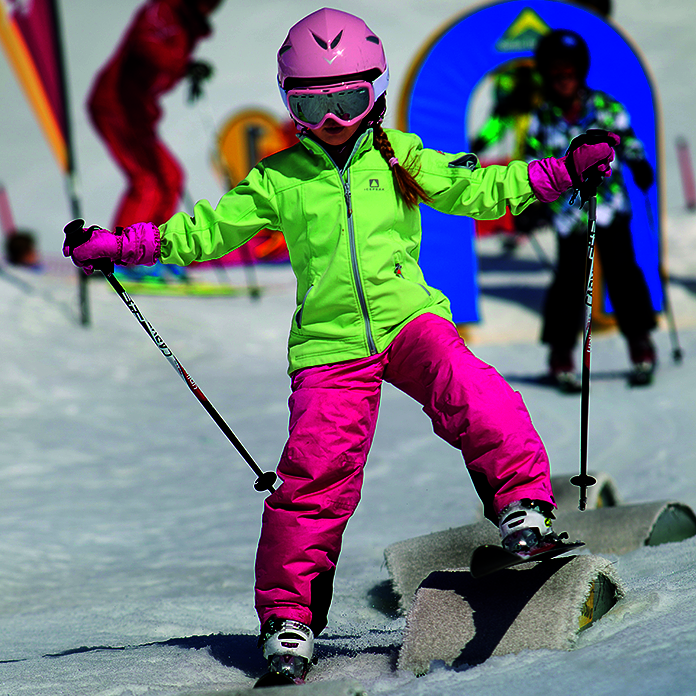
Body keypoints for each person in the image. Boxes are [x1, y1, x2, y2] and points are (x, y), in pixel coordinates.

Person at [64, 9, 618, 682]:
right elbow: (206, 231)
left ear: (375, 92)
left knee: (472, 390)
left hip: (407, 318)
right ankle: (289, 616)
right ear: (290, 100)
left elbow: (478, 188)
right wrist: (124, 246)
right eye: (312, 103)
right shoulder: (279, 178)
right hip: (329, 346)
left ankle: (521, 502)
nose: (331, 121)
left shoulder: (400, 156)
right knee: (313, 474)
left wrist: (560, 173)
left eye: (347, 101)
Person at [525, 29, 657, 389]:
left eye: (568, 73)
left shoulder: (605, 107)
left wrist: (639, 163)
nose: (562, 81)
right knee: (569, 282)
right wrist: (531, 202)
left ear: (580, 73)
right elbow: (532, 160)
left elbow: (627, 139)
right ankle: (561, 353)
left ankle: (640, 342)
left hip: (610, 206)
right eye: (555, 74)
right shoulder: (543, 118)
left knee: (623, 273)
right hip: (569, 215)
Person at [87, 0, 222, 230]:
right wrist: (184, 66)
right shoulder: (164, 10)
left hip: (137, 111)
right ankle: (124, 256)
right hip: (117, 106)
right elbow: (145, 45)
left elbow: (160, 65)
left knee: (171, 177)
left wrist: (185, 71)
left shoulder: (187, 23)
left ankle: (152, 251)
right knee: (147, 181)